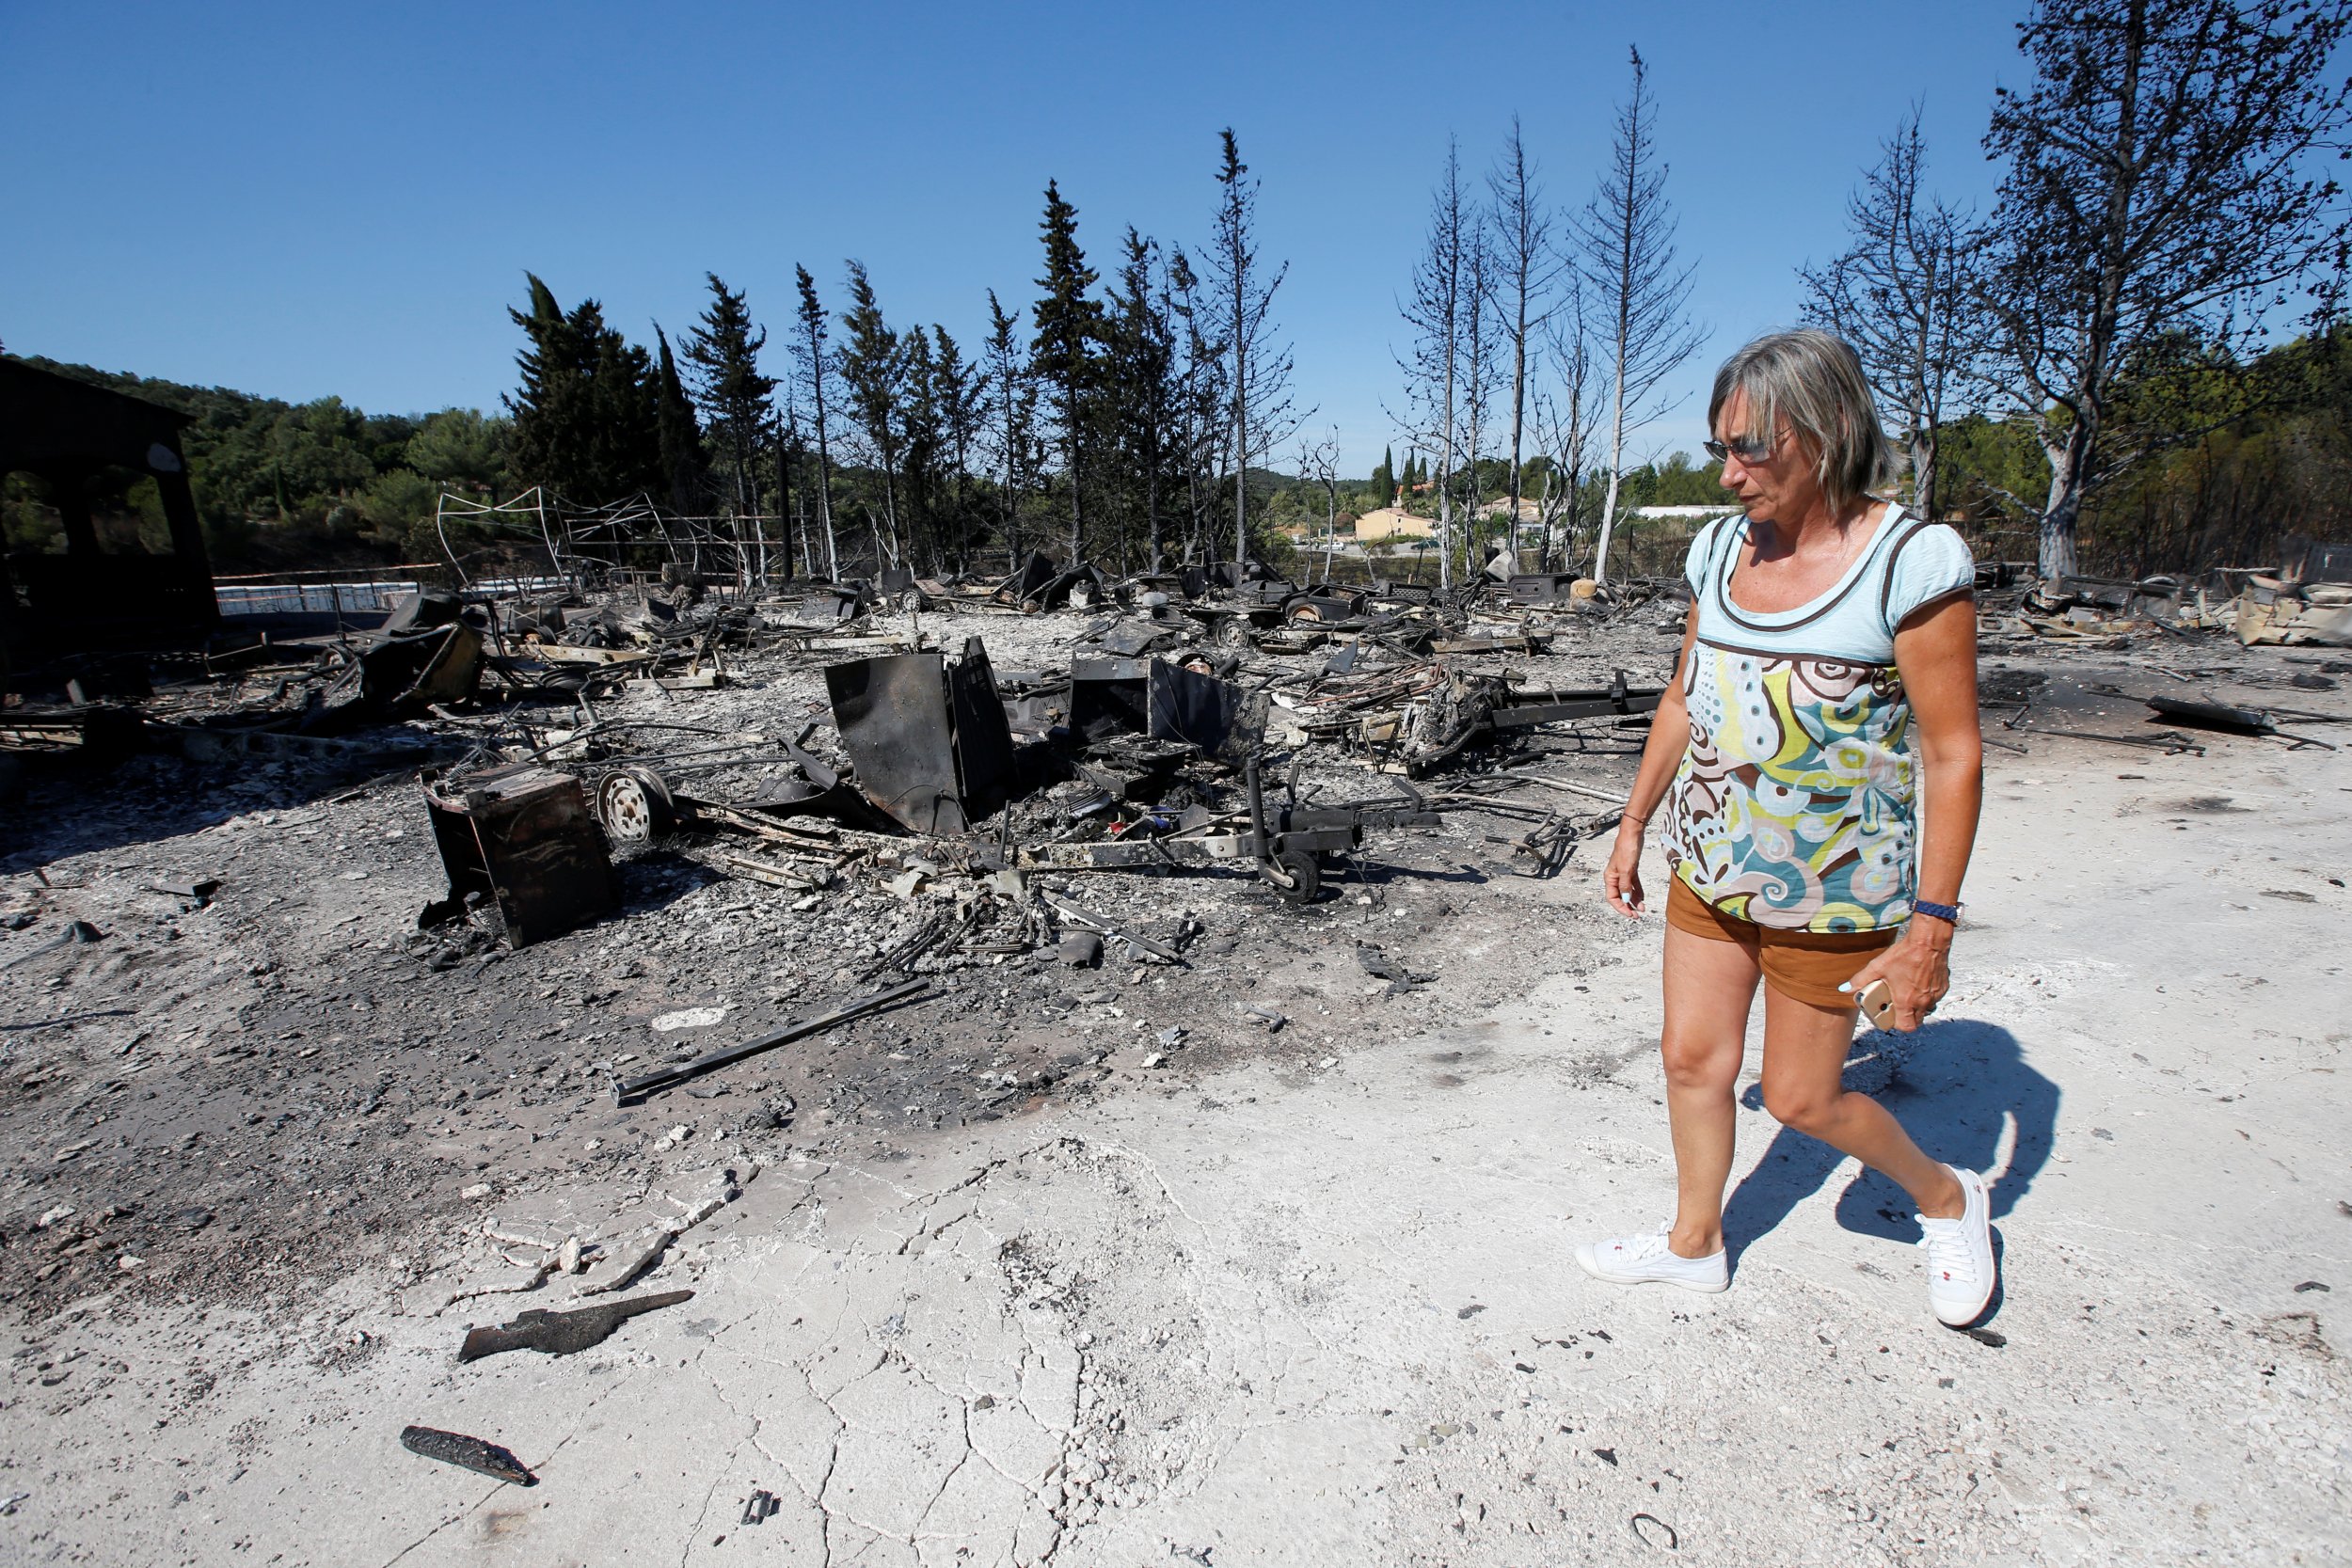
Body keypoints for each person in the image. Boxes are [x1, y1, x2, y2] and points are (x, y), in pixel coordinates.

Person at [1577, 329, 1996, 1326]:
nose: (1727, 476)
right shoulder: (1719, 548)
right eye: (1722, 447)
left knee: (1802, 1098)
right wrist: (1634, 820)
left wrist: (1929, 924)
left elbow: (1953, 752)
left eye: (1750, 449)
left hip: (1835, 887)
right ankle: (1693, 1242)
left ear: (1826, 434)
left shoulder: (1911, 560)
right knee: (1690, 1058)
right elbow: (1687, 691)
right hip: (1711, 867)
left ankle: (1950, 1195)